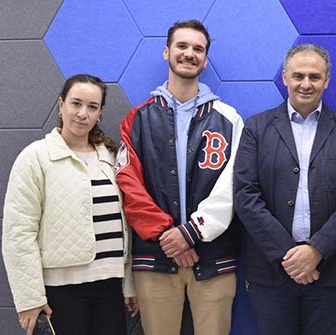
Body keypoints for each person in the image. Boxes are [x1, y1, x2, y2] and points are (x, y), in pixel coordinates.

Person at [115, 19, 243, 335]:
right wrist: (167, 235)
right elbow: (129, 185)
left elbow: (235, 182)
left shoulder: (229, 118)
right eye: (182, 46)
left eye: (197, 48)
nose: (189, 53)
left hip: (214, 258)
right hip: (156, 259)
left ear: (206, 59)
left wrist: (192, 232)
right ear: (166, 52)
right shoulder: (138, 118)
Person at [233, 43, 336, 335]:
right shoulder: (256, 128)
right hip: (271, 273)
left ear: (327, 80)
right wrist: (290, 255)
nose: (305, 84)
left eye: (314, 77)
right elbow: (245, 195)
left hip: (326, 272)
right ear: (284, 78)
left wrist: (317, 250)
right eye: (298, 76)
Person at [1, 74, 138, 335]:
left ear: (100, 113)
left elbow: (125, 227)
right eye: (76, 104)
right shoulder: (36, 158)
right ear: (61, 105)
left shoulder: (109, 158)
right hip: (60, 294)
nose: (82, 114)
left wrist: (128, 284)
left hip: (110, 289)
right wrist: (30, 299)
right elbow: (18, 233)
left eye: (92, 107)